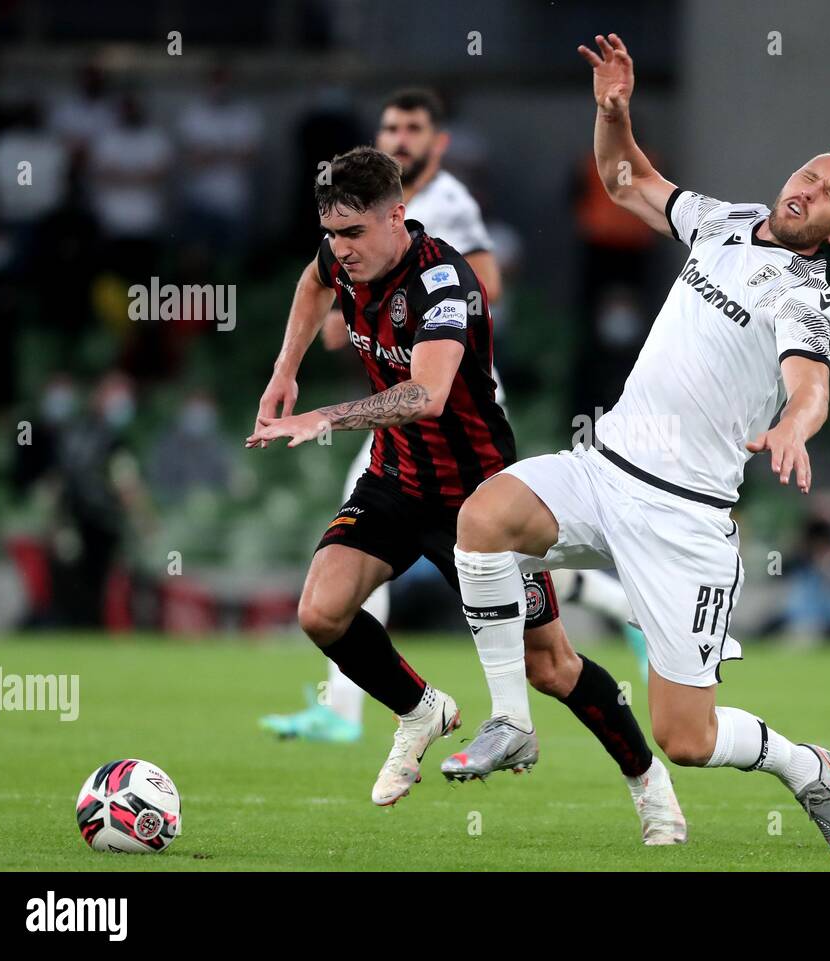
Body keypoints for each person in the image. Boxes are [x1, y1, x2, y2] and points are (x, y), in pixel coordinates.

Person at [446, 33, 830, 852]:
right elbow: (623, 178)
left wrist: (795, 421)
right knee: (483, 517)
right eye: (808, 175)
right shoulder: (727, 221)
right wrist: (614, 112)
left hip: (686, 520)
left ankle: (805, 764)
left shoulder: (805, 296)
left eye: (829, 198)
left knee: (687, 736)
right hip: (604, 469)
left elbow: (810, 378)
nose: (808, 192)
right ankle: (511, 720)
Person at [246, 147, 685, 843]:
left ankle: (649, 783)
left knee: (552, 666)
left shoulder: (444, 282)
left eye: (354, 233)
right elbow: (311, 283)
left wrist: (324, 416)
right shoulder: (341, 258)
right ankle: (420, 711)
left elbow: (427, 394)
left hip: (480, 503)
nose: (340, 250)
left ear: (398, 217)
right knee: (321, 612)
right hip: (394, 482)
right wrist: (284, 372)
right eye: (331, 233)